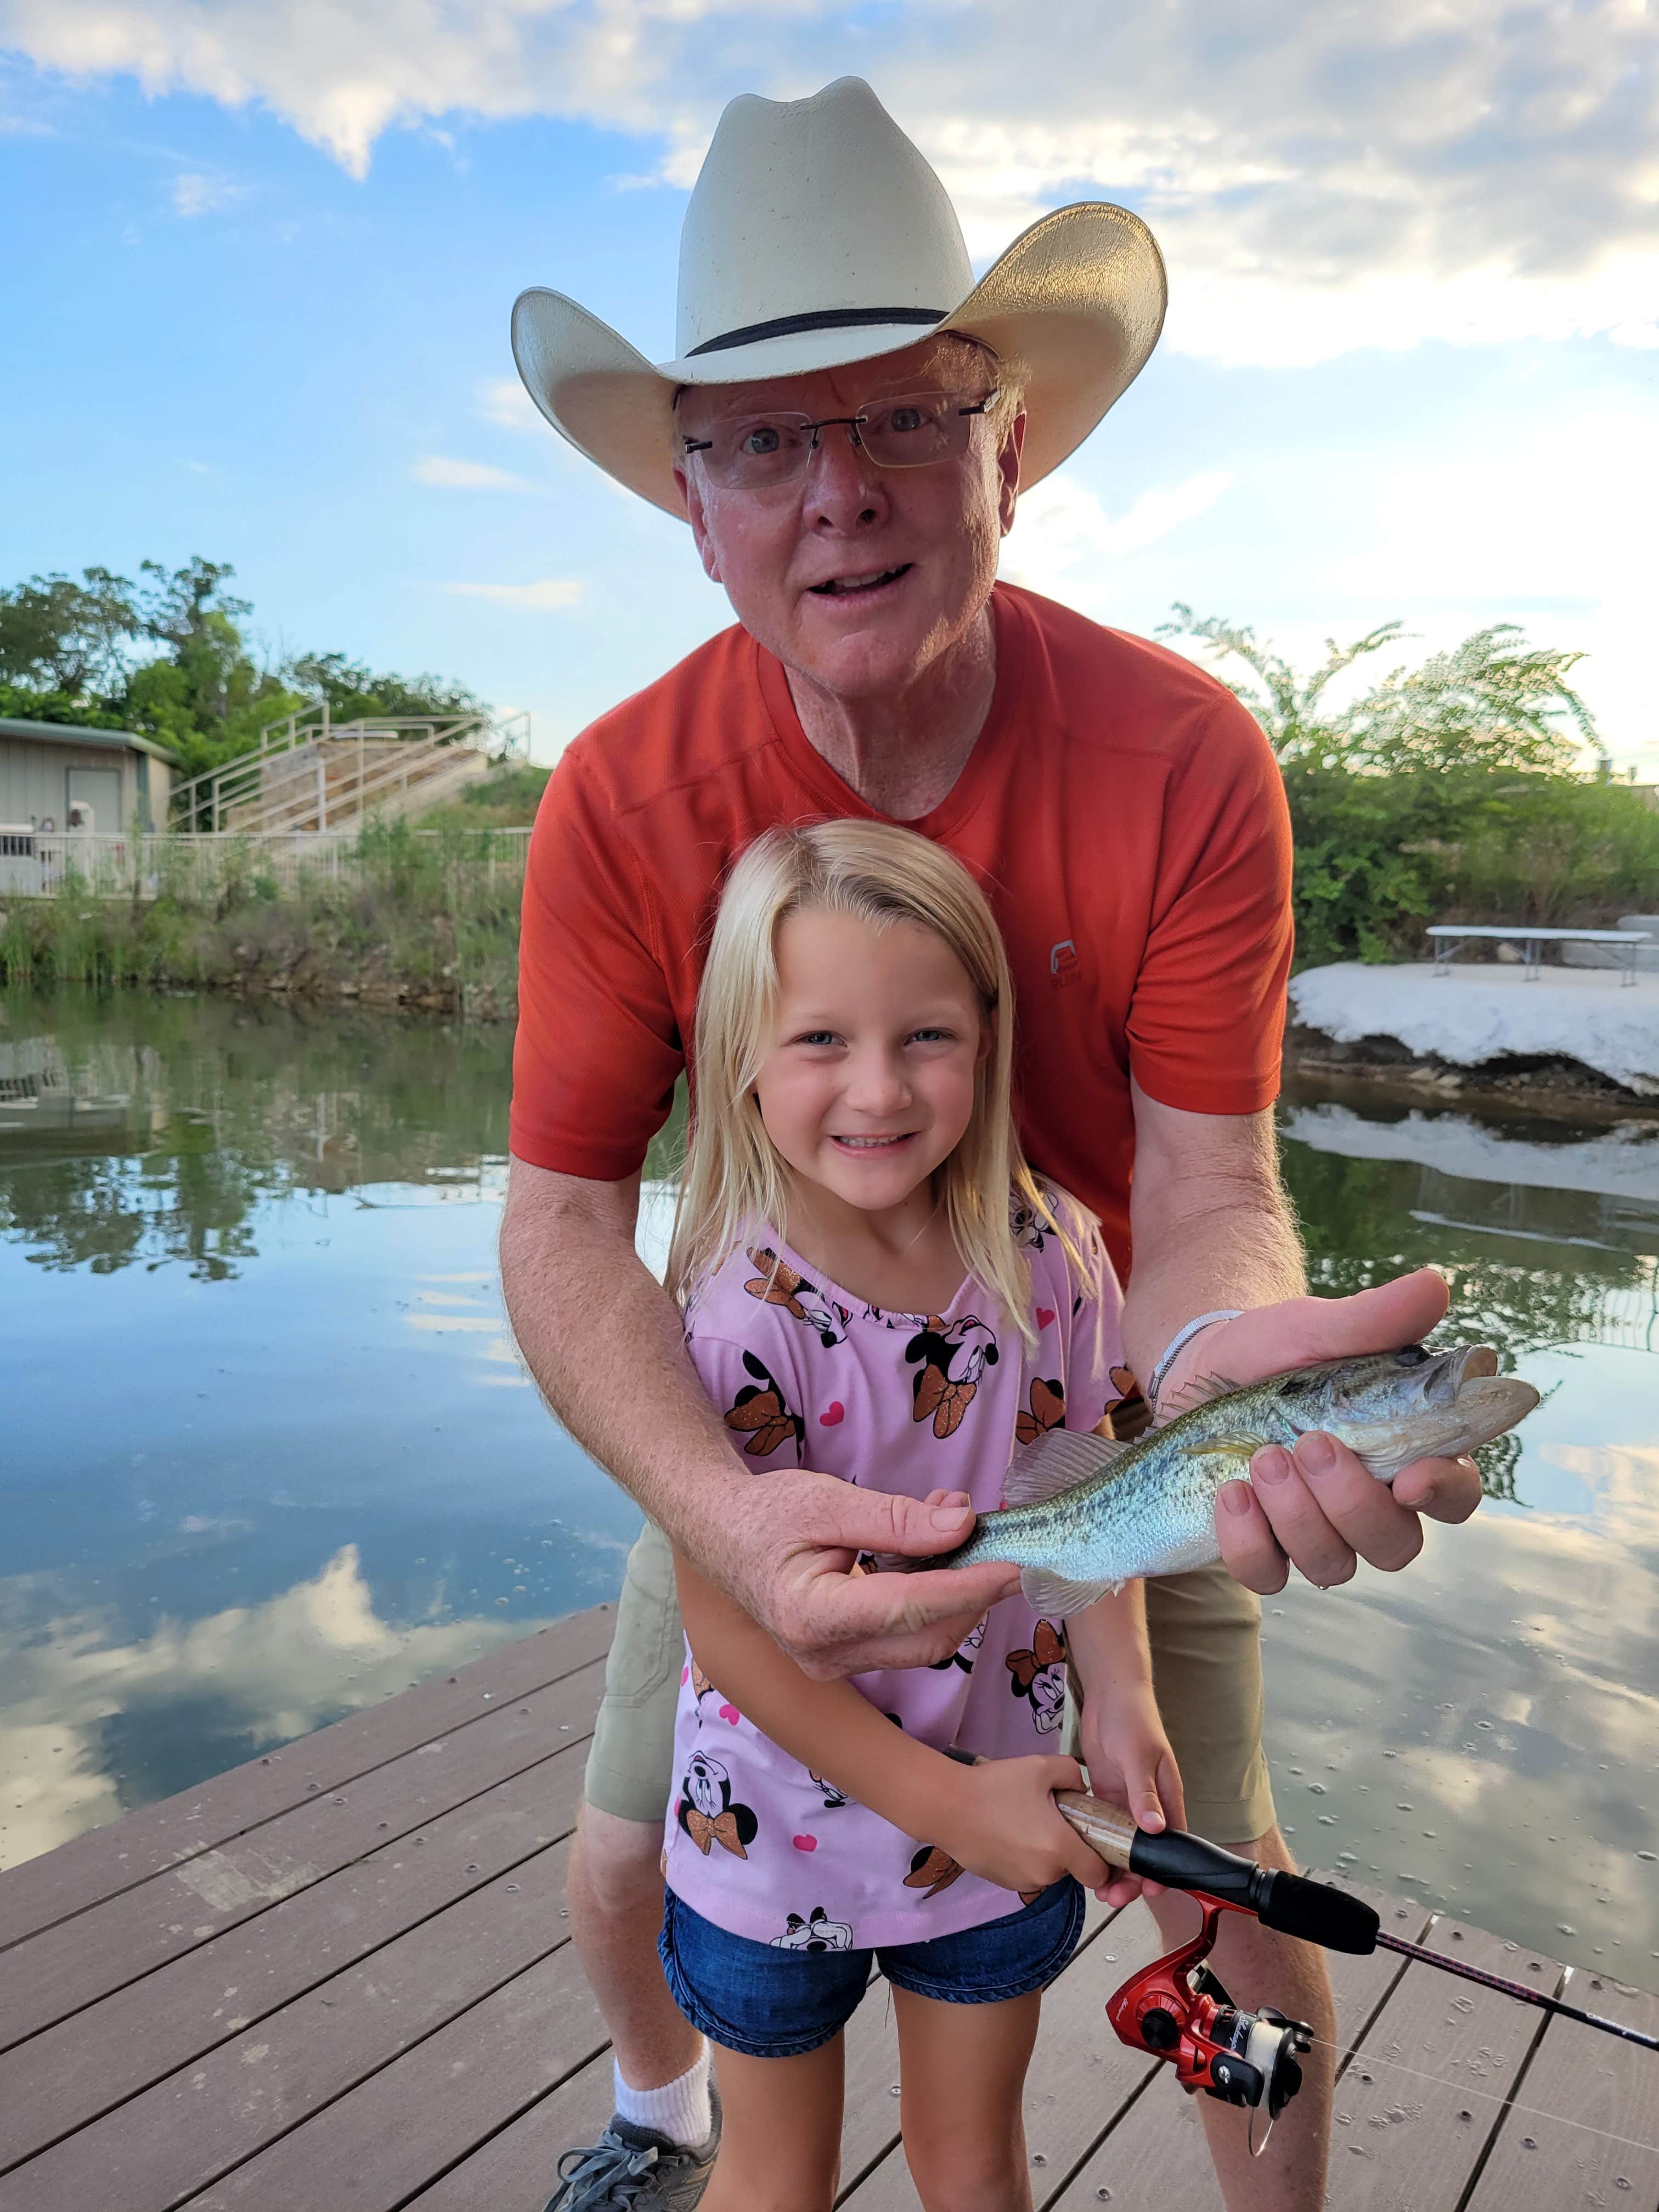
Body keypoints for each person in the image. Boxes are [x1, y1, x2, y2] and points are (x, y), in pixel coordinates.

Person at [499, 77, 1484, 2212]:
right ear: (692, 499)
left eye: (903, 420)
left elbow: (1209, 1189)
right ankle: (654, 2114)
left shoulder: (1189, 757)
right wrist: (713, 1512)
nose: (834, 493)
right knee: (609, 1863)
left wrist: (1220, 1389)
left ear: (1007, 450)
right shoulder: (616, 796)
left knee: (1221, 1897)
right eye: (765, 437)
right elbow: (564, 1223)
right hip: (781, 1421)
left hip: (1110, 1390)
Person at [629, 819, 1173, 2212]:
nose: (876, 1090)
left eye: (924, 1035)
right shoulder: (735, 1314)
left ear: (987, 1040)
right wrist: (952, 1809)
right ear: (741, 1052)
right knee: (775, 2179)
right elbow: (733, 1628)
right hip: (774, 1844)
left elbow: (1094, 1498)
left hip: (1007, 1808)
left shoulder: (1046, 1252)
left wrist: (1120, 1692)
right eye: (820, 1041)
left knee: (976, 2163)